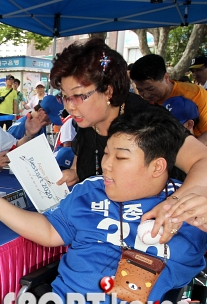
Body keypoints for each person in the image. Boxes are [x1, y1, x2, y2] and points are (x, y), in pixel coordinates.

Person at [0, 108, 207, 304]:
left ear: (157, 167)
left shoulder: (189, 210)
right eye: (107, 153)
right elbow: (49, 231)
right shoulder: (91, 190)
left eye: (121, 157)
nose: (107, 165)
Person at [51, 39, 207, 242]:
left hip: (155, 234)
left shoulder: (147, 119)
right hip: (103, 232)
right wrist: (75, 172)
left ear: (108, 91)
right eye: (64, 96)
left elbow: (202, 160)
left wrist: (173, 204)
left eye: (79, 96)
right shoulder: (86, 121)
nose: (70, 107)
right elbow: (85, 156)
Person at [131, 54, 207, 143]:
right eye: (140, 90)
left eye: (150, 89)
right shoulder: (142, 103)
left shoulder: (195, 94)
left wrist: (186, 154)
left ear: (166, 78)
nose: (146, 95)